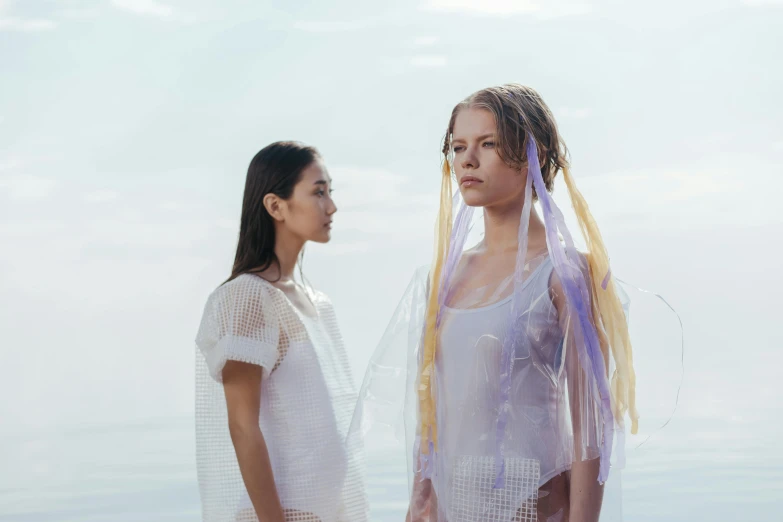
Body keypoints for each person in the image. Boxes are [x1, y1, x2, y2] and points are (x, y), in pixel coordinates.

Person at [348, 84, 660, 522]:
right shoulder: (442, 278)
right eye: (458, 147)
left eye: (488, 144)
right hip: (451, 504)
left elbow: (590, 423)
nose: (467, 160)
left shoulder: (564, 273)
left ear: (538, 153)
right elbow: (430, 407)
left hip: (532, 502)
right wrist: (419, 503)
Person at [195, 141, 368, 522]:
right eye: (318, 192)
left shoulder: (317, 303)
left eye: (330, 192)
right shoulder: (246, 297)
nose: (331, 206)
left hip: (331, 511)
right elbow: (242, 425)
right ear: (275, 206)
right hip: (284, 514)